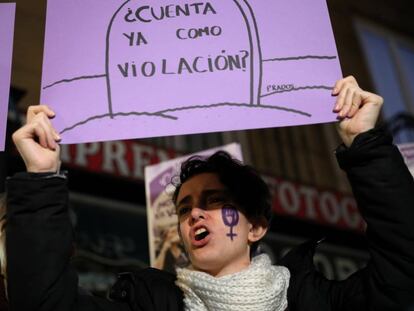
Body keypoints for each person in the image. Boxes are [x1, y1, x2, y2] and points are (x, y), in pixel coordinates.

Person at [6, 76, 414, 310]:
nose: (194, 216)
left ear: (255, 227)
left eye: (215, 202)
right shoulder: (152, 304)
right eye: (184, 209)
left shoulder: (314, 300)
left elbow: (403, 264)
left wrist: (365, 146)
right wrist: (41, 180)